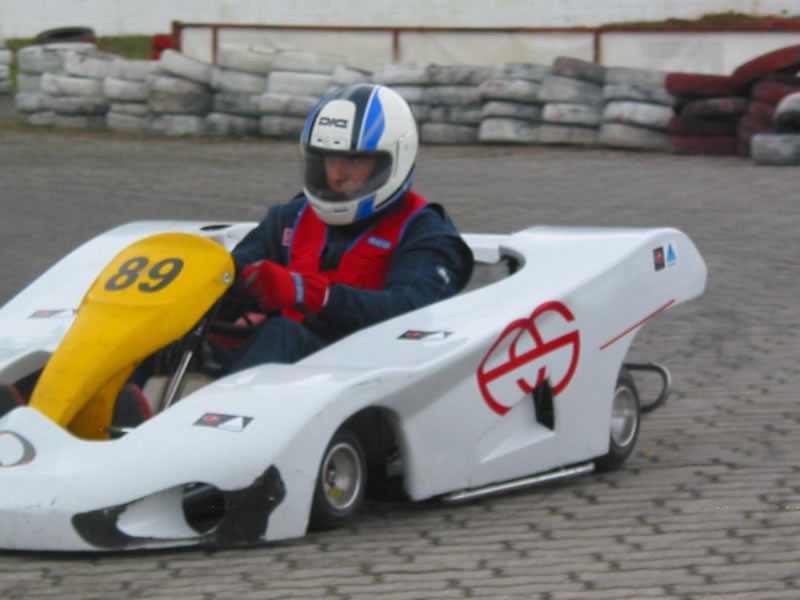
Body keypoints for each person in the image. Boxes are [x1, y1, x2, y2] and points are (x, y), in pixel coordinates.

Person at [222, 82, 474, 371]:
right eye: (329, 160)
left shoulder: (426, 232)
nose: (337, 176)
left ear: (396, 158)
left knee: (282, 332)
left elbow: (411, 311)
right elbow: (235, 269)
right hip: (291, 371)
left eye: (354, 161)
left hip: (371, 376)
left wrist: (311, 294)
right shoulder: (289, 219)